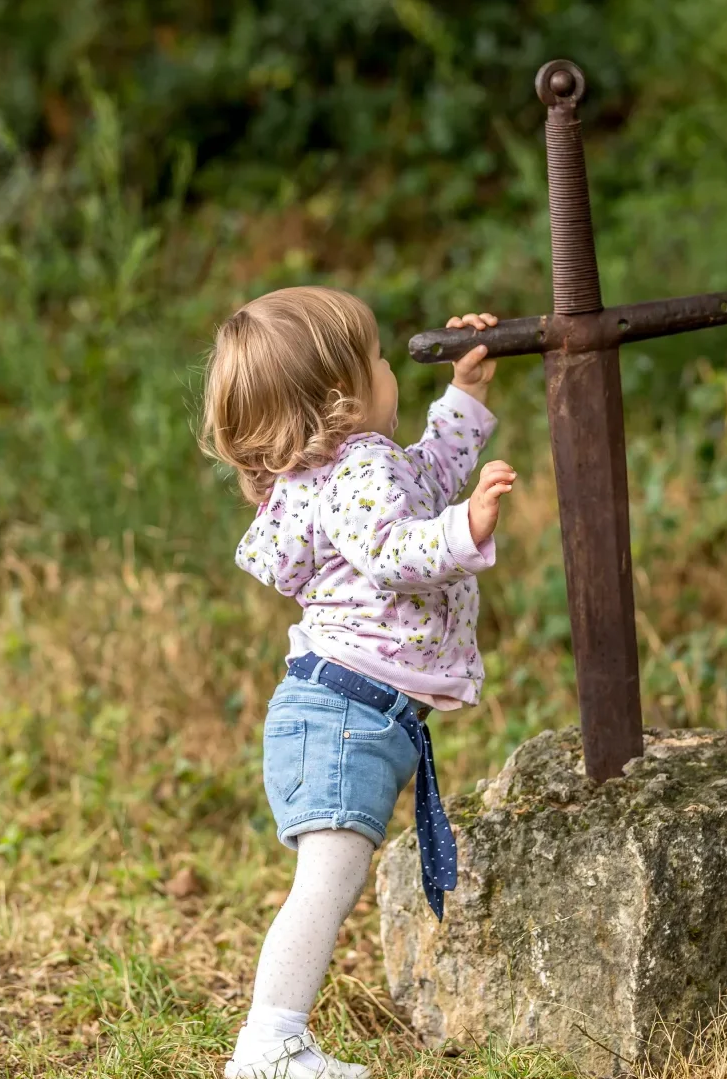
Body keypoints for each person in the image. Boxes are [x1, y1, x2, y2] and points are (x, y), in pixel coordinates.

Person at [200, 286, 514, 1079]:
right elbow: (397, 549)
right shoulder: (356, 475)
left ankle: (274, 1040)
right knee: (327, 881)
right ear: (342, 397)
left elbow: (427, 474)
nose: (388, 368)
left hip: (341, 711)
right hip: (345, 716)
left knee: (330, 878)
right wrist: (465, 529)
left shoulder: (343, 471)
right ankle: (268, 1045)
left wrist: (464, 394)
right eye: (376, 359)